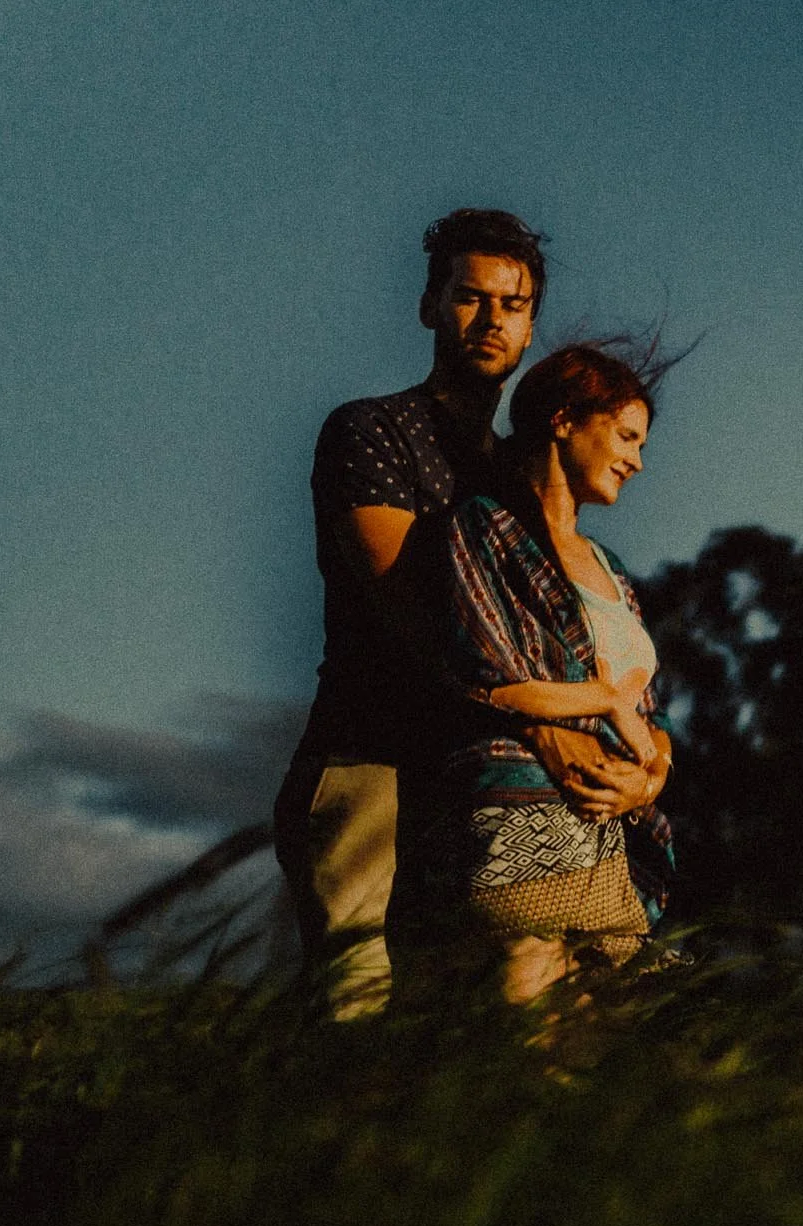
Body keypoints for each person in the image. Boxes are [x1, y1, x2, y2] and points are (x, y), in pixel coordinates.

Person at [273, 209, 662, 1015]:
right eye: (470, 297)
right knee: (356, 1016)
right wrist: (547, 727)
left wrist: (641, 759)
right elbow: (409, 612)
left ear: (530, 326)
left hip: (483, 790)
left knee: (464, 1049)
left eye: (513, 305)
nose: (491, 321)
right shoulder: (373, 431)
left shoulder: (516, 476)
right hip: (371, 760)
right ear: (429, 305)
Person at [420, 340, 680, 1004]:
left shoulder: (612, 568)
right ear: (564, 418)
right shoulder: (485, 526)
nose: (637, 460)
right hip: (522, 810)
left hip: (610, 829)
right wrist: (603, 705)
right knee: (525, 1025)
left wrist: (648, 778)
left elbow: (656, 712)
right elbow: (483, 663)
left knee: (585, 1053)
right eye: (626, 435)